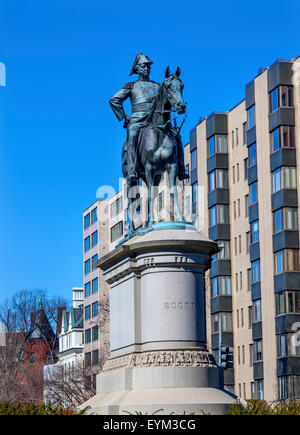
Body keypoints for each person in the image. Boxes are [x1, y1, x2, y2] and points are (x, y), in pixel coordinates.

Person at [109, 53, 189, 181]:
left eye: (148, 67)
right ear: (137, 68)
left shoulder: (158, 86)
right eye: (143, 67)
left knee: (176, 136)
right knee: (132, 135)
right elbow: (114, 100)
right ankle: (132, 169)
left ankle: (181, 168)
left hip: (155, 119)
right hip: (138, 119)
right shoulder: (131, 86)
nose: (146, 69)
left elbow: (166, 99)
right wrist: (124, 117)